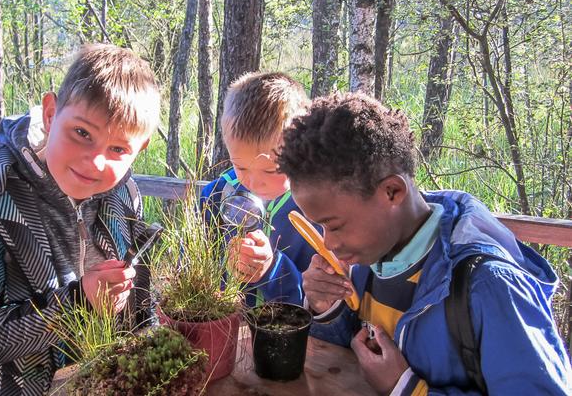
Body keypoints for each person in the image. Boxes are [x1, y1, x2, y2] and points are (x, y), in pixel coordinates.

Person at [277, 92, 572, 394]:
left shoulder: (489, 286)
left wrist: (406, 389)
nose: (329, 243)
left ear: (392, 191)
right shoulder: (370, 255)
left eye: (334, 225)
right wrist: (328, 310)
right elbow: (350, 355)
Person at [0, 44, 161, 395]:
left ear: (139, 149)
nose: (96, 162)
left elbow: (138, 306)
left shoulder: (123, 192)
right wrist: (76, 304)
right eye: (82, 133)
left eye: (118, 149)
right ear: (51, 113)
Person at [200, 71, 317, 307]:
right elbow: (194, 271)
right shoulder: (215, 196)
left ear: (300, 153)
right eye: (240, 166)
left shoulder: (315, 211)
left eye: (271, 171)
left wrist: (272, 269)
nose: (253, 182)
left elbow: (316, 303)